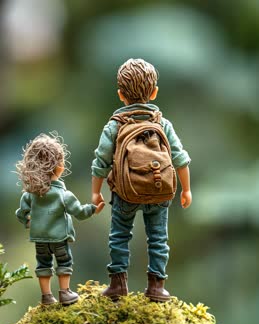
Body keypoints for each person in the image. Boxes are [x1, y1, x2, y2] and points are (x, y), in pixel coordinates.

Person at [91, 58, 192, 301]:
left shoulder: (114, 126)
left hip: (124, 193)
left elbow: (101, 162)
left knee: (119, 235)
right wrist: (186, 189)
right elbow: (179, 158)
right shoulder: (162, 123)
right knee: (158, 238)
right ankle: (157, 287)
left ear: (120, 95)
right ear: (154, 92)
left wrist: (96, 192)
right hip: (159, 189)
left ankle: (118, 284)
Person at [16, 132, 104, 306]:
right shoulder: (63, 195)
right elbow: (79, 212)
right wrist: (93, 209)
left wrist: (28, 222)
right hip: (59, 238)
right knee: (64, 262)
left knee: (43, 264)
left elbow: (20, 213)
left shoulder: (30, 195)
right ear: (58, 166)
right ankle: (65, 293)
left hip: (40, 238)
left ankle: (46, 297)